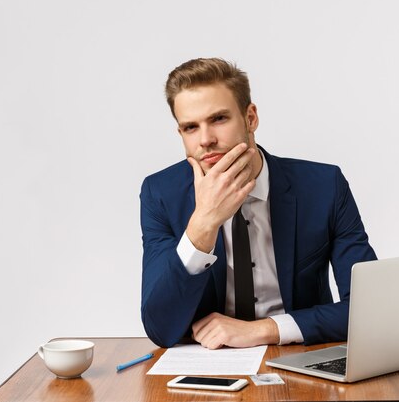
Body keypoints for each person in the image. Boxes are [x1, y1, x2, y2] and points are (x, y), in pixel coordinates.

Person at [140, 58, 376, 349]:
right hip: (209, 369)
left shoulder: (324, 186)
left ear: (250, 118)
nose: (205, 140)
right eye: (190, 127)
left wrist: (267, 330)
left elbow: (369, 310)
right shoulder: (161, 194)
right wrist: (204, 222)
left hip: (299, 358)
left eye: (219, 119)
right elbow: (160, 329)